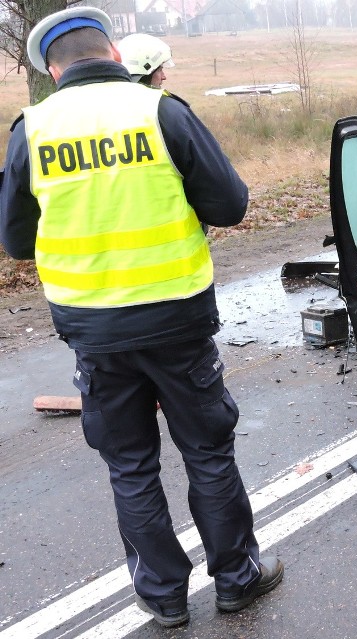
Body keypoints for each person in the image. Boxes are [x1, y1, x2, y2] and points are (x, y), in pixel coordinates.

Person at [0, 7, 282, 628]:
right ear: (113, 52)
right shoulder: (162, 112)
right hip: (177, 319)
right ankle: (236, 579)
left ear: (52, 68)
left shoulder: (33, 128)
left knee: (130, 464)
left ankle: (162, 597)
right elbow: (231, 205)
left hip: (95, 333)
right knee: (208, 450)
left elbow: (17, 242)